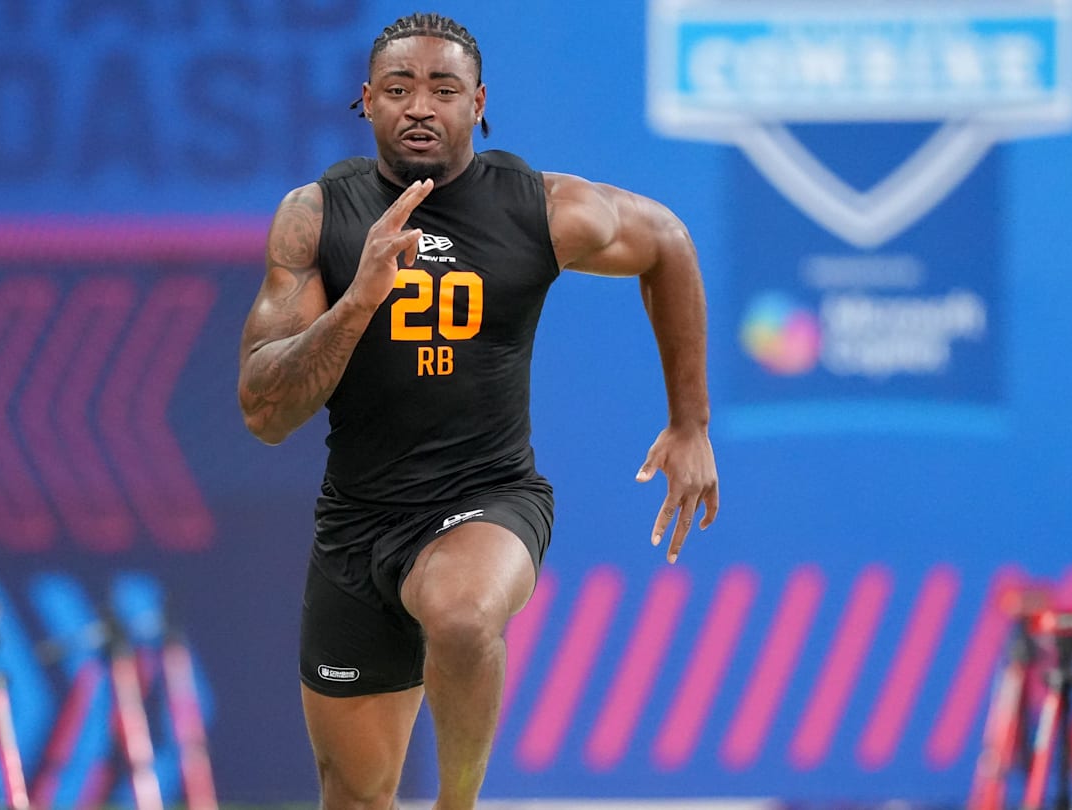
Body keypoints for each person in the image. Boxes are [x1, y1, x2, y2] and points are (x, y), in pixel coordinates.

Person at [237, 12, 719, 809]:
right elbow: (265, 412)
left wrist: (690, 423)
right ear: (367, 100)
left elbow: (666, 239)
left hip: (487, 499)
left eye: (443, 89)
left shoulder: (538, 207)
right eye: (399, 89)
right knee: (354, 795)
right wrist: (358, 300)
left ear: (479, 102)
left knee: (461, 618)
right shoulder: (318, 216)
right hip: (356, 526)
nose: (420, 107)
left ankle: (458, 804)